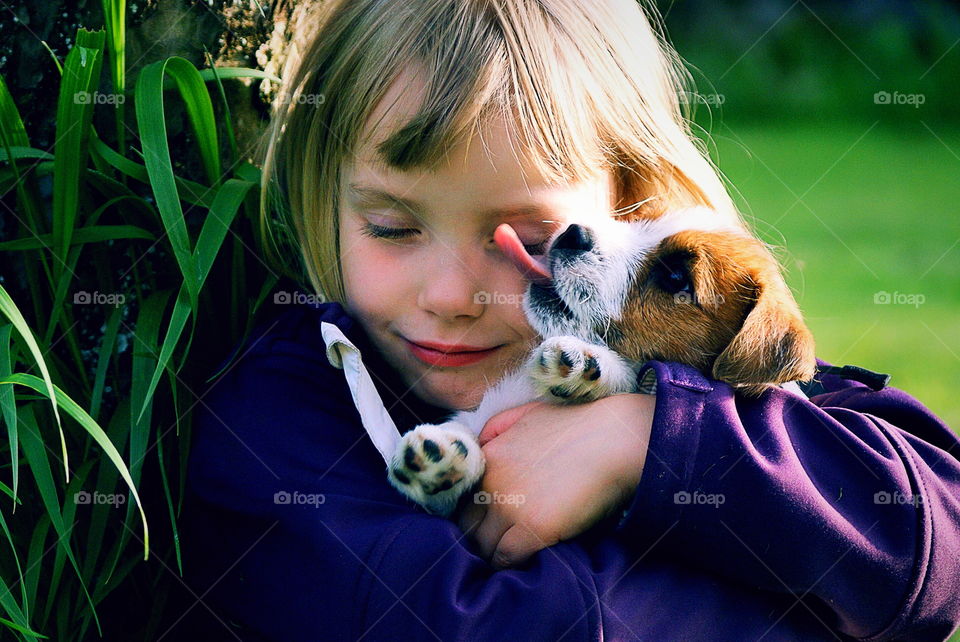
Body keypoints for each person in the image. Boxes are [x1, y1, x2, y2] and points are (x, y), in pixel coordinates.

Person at [178, 1, 960, 639]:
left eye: (534, 239)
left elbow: (935, 534)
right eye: (392, 227)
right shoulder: (269, 435)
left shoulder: (699, 353)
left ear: (628, 207)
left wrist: (644, 441)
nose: (452, 296)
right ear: (322, 194)